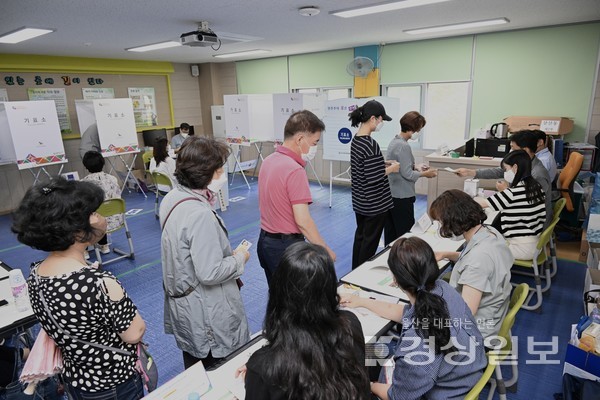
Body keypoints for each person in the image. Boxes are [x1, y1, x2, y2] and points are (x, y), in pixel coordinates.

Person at [11, 178, 147, 399]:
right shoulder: (98, 283)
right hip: (114, 383)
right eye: (93, 213)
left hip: (76, 379)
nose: (100, 218)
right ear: (75, 232)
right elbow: (134, 333)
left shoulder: (36, 274)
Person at [340, 237, 486, 400]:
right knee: (374, 353)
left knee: (362, 364)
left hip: (448, 391)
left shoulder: (417, 351)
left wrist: (369, 385)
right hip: (466, 371)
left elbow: (396, 395)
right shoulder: (443, 290)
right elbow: (407, 313)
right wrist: (362, 302)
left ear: (395, 280)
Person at [160, 136, 250, 370]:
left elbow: (187, 252)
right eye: (219, 170)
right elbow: (210, 272)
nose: (222, 175)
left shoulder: (172, 197)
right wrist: (240, 257)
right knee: (220, 373)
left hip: (188, 307)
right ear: (205, 173)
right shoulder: (200, 214)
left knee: (195, 369)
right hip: (207, 311)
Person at [244, 242, 370, 399]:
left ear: (279, 291)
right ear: (330, 287)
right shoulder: (351, 323)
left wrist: (258, 372)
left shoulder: (264, 366)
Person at [257, 110, 335, 286]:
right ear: (300, 139)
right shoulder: (294, 170)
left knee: (278, 298)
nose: (314, 148)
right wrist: (325, 250)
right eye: (314, 142)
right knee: (295, 303)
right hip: (286, 247)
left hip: (265, 242)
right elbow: (303, 221)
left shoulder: (268, 160)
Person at [429, 189, 513, 339]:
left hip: (476, 332)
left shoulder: (478, 259)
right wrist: (447, 254)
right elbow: (479, 261)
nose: (441, 227)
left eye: (441, 222)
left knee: (414, 318)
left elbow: (465, 312)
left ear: (453, 220)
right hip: (494, 312)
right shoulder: (489, 232)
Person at [455, 129, 552, 225]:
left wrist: (506, 191)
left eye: (513, 148)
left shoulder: (538, 174)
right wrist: (470, 172)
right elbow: (499, 171)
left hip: (533, 223)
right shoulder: (523, 163)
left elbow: (528, 204)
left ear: (525, 150)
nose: (510, 151)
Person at [349, 100, 400, 269]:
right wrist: (391, 168)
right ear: (373, 118)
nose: (381, 123)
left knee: (361, 238)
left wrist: (383, 163)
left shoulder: (357, 140)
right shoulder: (370, 144)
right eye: (380, 119)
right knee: (370, 244)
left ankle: (354, 271)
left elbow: (365, 168)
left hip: (361, 201)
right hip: (375, 204)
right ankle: (362, 274)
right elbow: (374, 176)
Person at [474, 150, 546, 260]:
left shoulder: (512, 193)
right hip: (534, 244)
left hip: (520, 248)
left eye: (506, 169)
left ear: (515, 168)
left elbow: (481, 204)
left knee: (479, 248)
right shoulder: (535, 187)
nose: (505, 173)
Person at [385, 111, 437, 244]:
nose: (419, 132)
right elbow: (407, 174)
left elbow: (402, 167)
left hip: (392, 194)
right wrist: (426, 174)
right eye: (419, 129)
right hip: (402, 196)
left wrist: (416, 167)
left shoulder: (395, 141)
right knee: (404, 234)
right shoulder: (403, 146)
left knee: (391, 234)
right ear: (413, 129)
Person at [81, 150, 122, 255]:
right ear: (103, 163)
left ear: (86, 166)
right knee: (102, 210)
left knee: (80, 214)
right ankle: (104, 245)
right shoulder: (113, 179)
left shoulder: (83, 184)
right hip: (116, 220)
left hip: (96, 222)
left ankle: (84, 250)